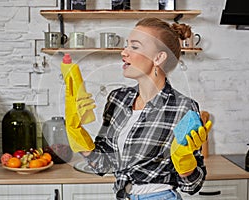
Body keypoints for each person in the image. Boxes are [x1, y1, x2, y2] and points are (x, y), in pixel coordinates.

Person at [67, 17, 212, 200]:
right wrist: (77, 133)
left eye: (134, 47)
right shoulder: (117, 99)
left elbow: (193, 186)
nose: (124, 52)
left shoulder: (183, 107)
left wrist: (184, 163)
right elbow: (104, 164)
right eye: (126, 45)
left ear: (158, 57)